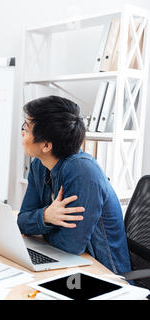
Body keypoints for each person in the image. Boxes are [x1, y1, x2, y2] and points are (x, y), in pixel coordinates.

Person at [17, 95, 131, 275]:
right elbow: (22, 221)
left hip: (104, 274)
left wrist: (40, 222)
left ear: (46, 145)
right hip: (71, 265)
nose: (22, 133)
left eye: (27, 128)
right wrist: (47, 216)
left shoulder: (82, 171)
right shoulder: (39, 165)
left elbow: (70, 246)